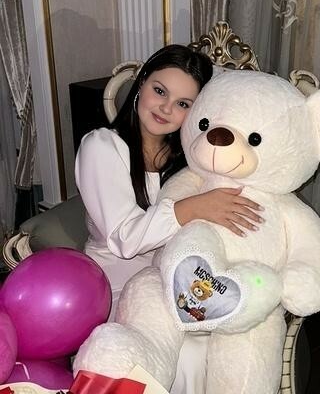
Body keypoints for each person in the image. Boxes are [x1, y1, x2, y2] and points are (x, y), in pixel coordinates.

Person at [75, 44, 263, 393]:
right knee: (190, 353)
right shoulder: (102, 146)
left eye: (183, 104)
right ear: (141, 82)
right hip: (114, 289)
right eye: (160, 91)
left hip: (179, 284)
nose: (166, 108)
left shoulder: (192, 159)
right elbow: (124, 239)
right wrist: (195, 207)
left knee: (228, 347)